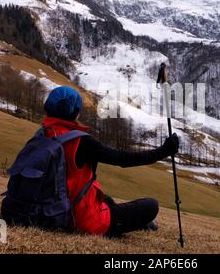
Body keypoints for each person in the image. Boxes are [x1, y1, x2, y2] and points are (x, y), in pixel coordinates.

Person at [42, 86, 179, 237]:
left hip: (49, 212)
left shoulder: (42, 136)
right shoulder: (80, 141)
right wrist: (164, 151)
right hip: (81, 220)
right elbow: (124, 159)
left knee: (107, 199)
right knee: (151, 206)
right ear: (75, 112)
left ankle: (131, 220)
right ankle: (136, 222)